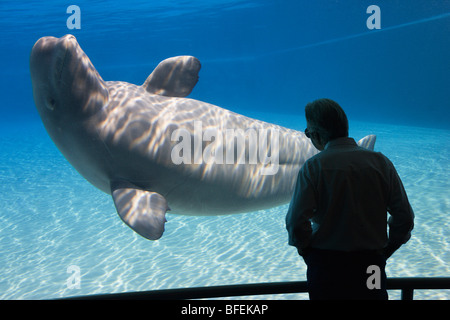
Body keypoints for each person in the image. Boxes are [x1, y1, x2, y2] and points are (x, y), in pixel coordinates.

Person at [285, 98, 414, 300]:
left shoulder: (313, 167)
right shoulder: (381, 163)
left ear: (317, 134)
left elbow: (295, 222)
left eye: (308, 133)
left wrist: (307, 252)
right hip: (372, 264)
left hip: (326, 267)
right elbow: (404, 217)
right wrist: (385, 251)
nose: (310, 138)